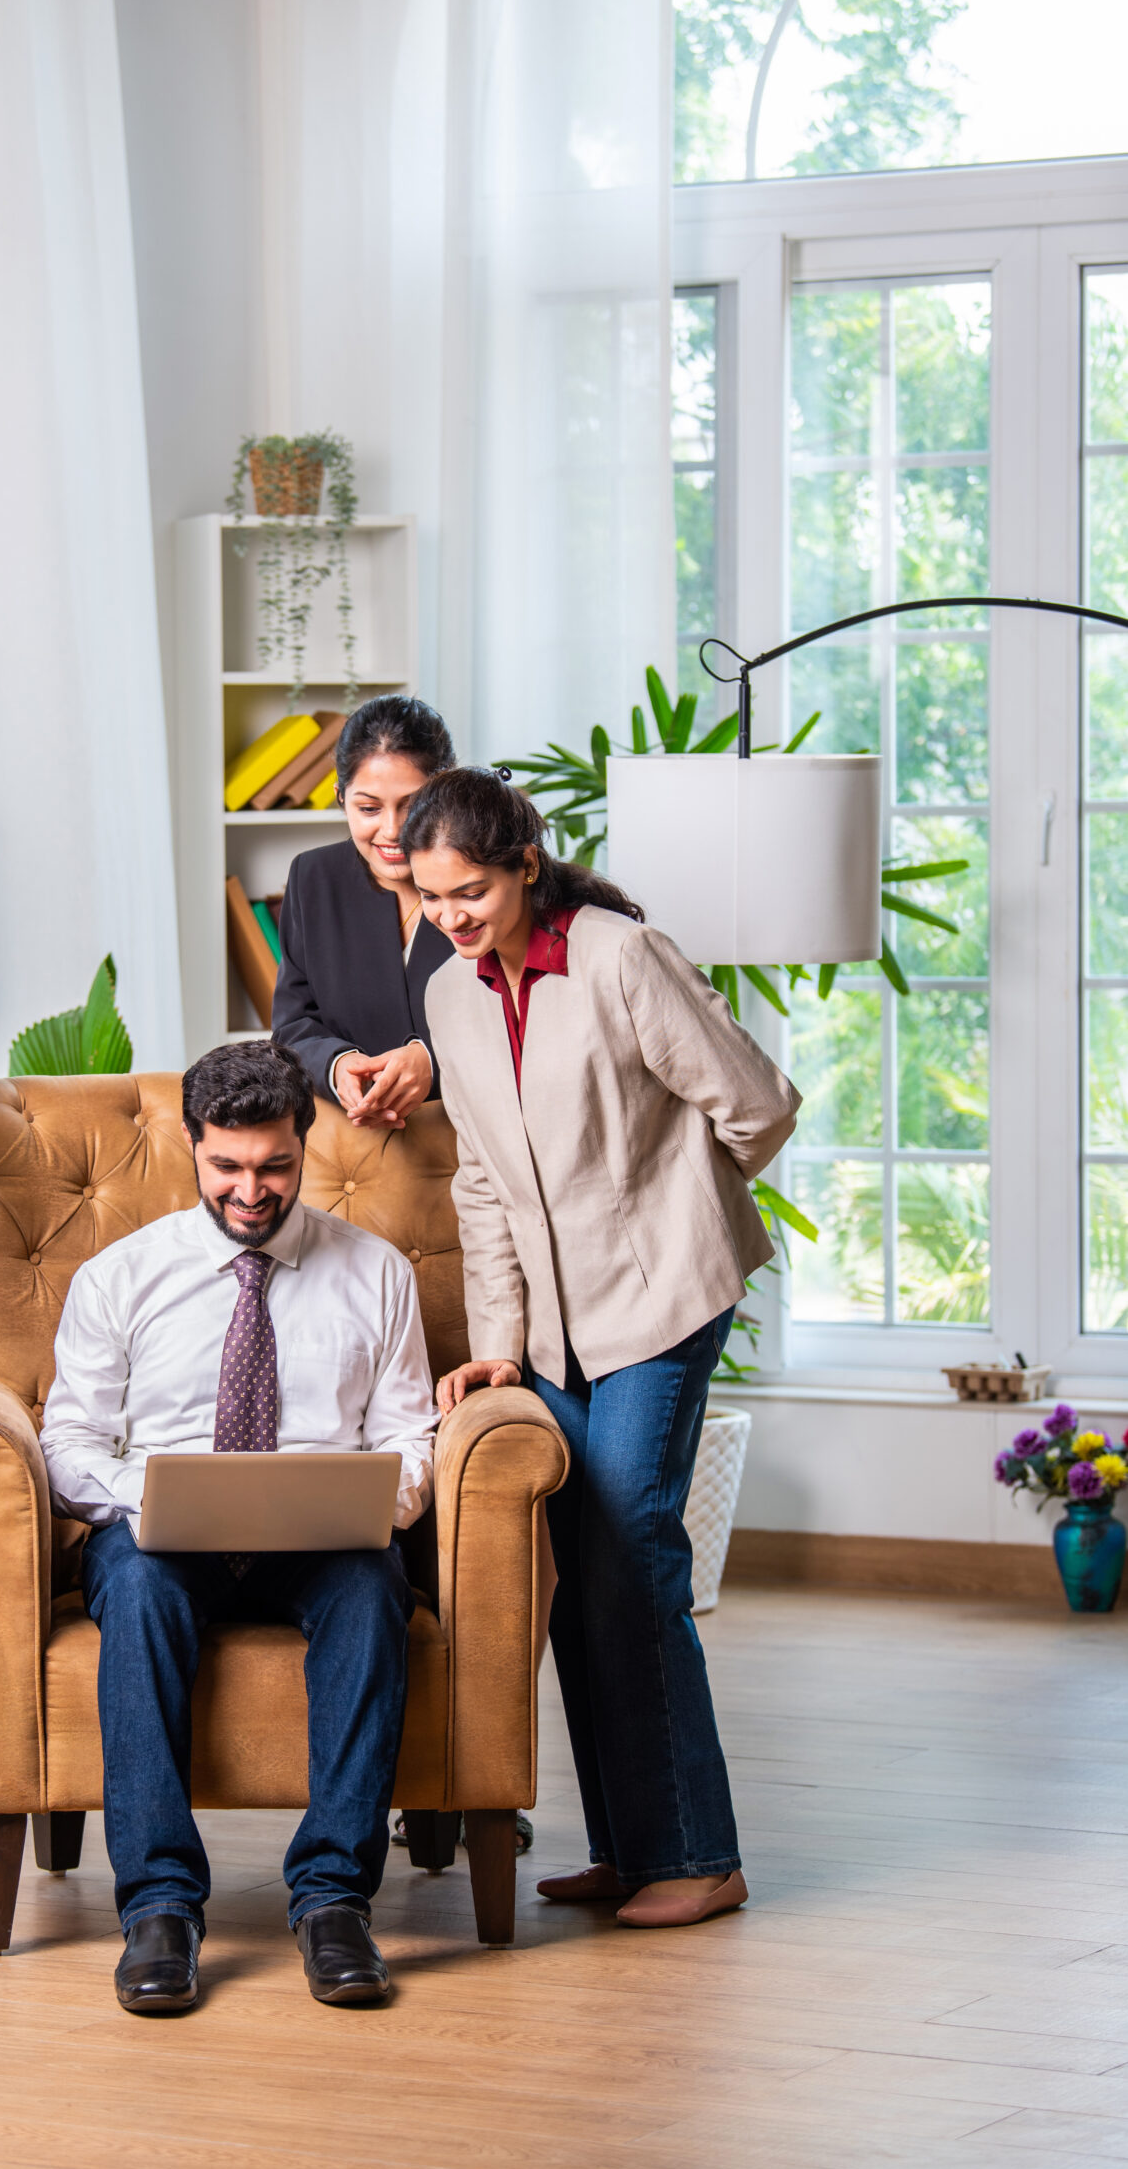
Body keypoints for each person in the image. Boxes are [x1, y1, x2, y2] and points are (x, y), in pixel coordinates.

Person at [403, 767, 800, 1931]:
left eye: (468, 890)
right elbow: (479, 1183)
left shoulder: (617, 955)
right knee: (576, 1569)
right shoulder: (449, 995)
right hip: (556, 1333)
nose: (451, 916)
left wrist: (678, 1203)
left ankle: (698, 1854)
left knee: (630, 1541)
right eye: (431, 898)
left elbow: (757, 1103)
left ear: (524, 861)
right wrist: (497, 1347)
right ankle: (628, 1849)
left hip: (664, 1298)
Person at [40, 1040, 437, 2015]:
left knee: (372, 1584)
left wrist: (378, 1499)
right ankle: (160, 1908)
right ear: (191, 1144)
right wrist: (145, 1500)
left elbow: (408, 1432)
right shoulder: (120, 1277)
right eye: (226, 1166)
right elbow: (68, 1438)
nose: (250, 1190)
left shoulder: (375, 1274)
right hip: (159, 1532)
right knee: (134, 1582)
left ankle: (334, 1899)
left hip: (321, 1541)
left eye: (273, 1166)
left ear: (304, 1144)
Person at [271, 693, 455, 1132]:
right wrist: (337, 1066)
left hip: (475, 1138)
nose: (392, 831)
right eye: (369, 808)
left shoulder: (489, 881)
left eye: (412, 806)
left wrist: (434, 1060)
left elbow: (529, 1020)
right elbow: (293, 1024)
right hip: (355, 1142)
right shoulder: (312, 877)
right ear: (341, 798)